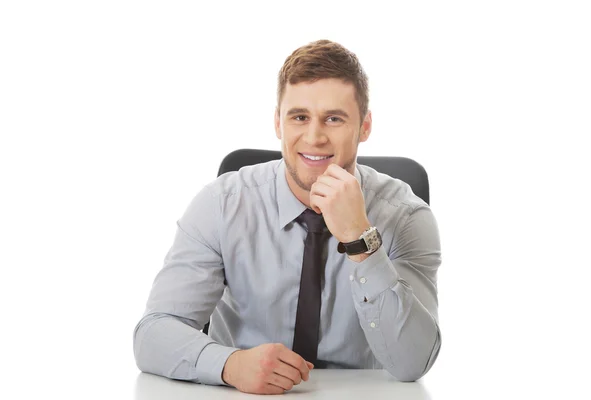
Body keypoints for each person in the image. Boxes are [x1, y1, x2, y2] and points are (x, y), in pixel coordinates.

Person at [133, 39, 442, 395]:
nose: (314, 137)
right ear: (278, 123)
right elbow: (153, 333)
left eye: (334, 119)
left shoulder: (406, 217)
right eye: (299, 117)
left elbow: (414, 363)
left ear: (365, 126)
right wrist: (229, 365)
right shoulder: (222, 204)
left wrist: (361, 240)